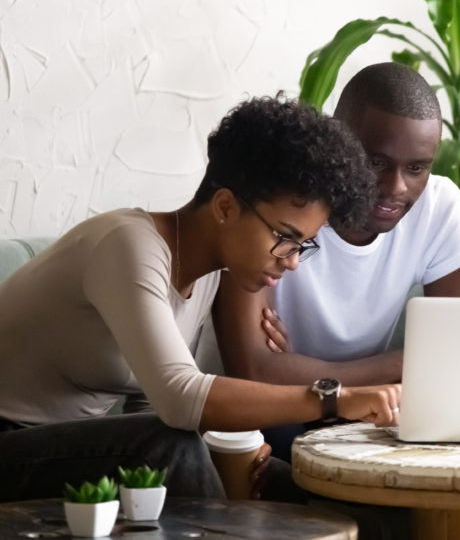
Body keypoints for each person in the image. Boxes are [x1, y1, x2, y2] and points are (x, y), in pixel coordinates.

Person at [0, 96, 400, 502]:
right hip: (12, 441)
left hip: (62, 451)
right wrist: (333, 400)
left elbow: (154, 406)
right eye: (285, 238)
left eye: (304, 245)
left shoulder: (207, 275)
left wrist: (234, 449)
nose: (293, 262)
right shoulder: (126, 245)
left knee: (286, 479)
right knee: (171, 449)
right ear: (225, 207)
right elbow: (180, 398)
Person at [214, 63, 460, 460]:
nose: (395, 188)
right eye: (375, 163)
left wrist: (310, 372)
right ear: (339, 142)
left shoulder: (438, 206)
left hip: (364, 413)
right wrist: (404, 363)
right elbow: (255, 372)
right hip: (263, 415)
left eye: (417, 168)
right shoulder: (279, 202)